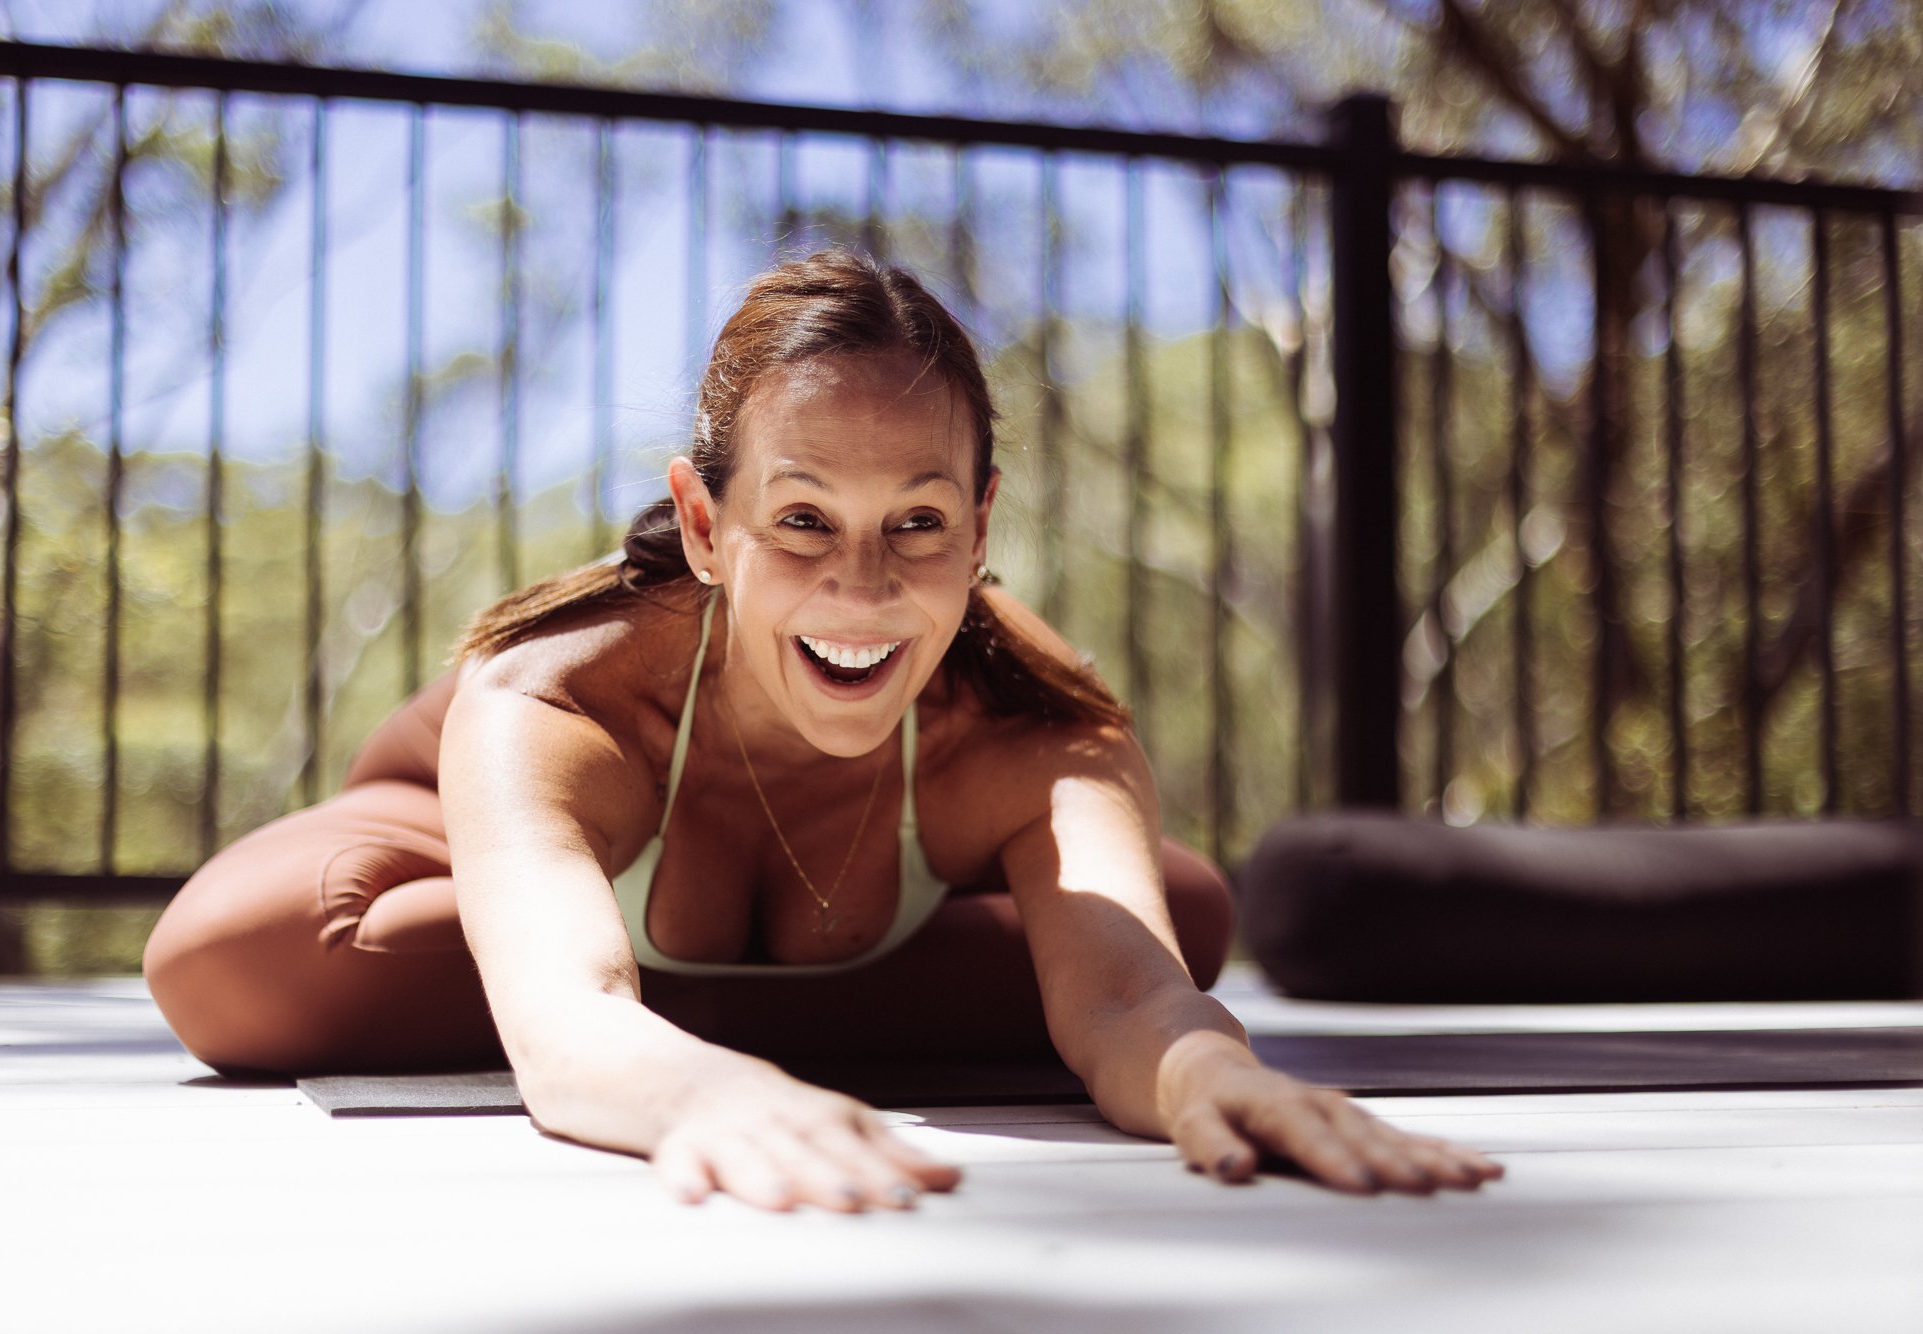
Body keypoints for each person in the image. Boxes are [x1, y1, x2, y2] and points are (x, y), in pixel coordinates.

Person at [144, 248, 1504, 1213]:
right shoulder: (558, 692)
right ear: (702, 523)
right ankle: (729, 1009)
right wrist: (695, 1093)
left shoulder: (1034, 722)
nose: (863, 585)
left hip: (828, 901)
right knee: (237, 961)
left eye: (917, 521)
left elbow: (1137, 994)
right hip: (451, 842)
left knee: (1178, 921)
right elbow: (565, 1018)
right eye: (801, 519)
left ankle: (733, 1002)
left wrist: (1209, 1064)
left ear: (980, 523)